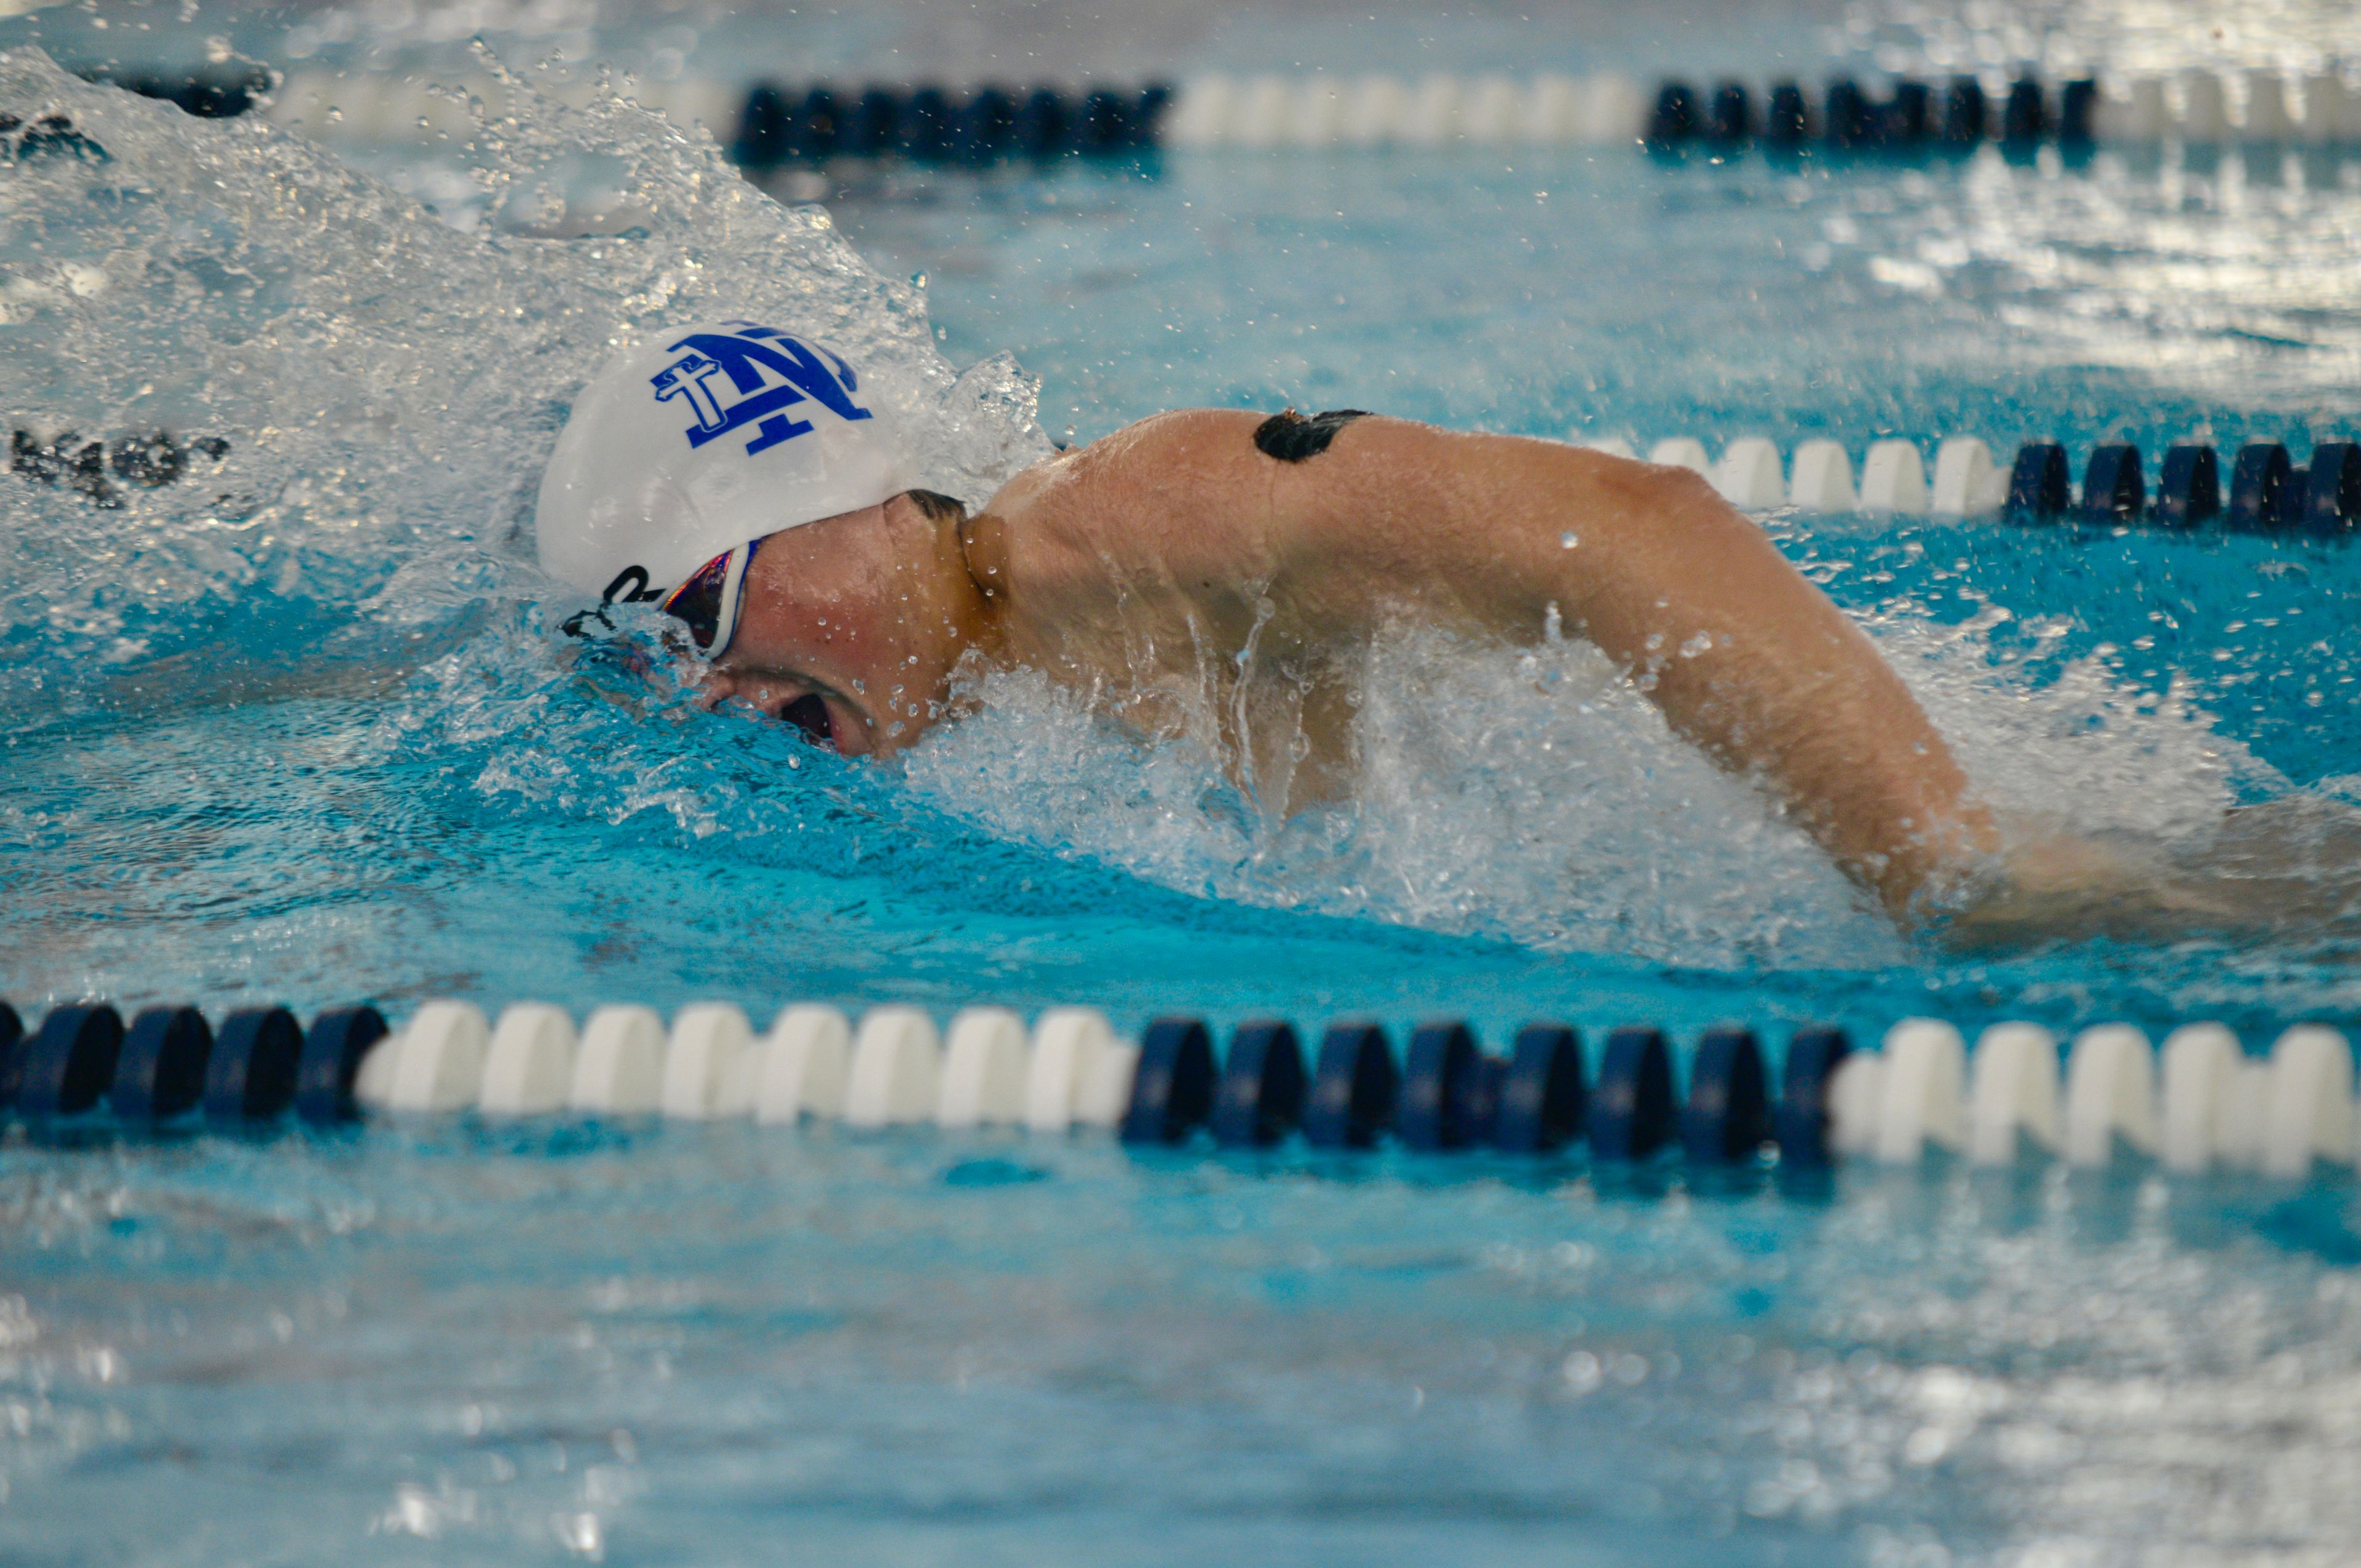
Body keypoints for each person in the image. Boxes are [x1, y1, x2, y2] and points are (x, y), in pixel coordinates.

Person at [537, 319, 2103, 933]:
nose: (714, 698)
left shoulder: (1141, 525)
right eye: (654, 669)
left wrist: (1944, 869)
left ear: (849, 497)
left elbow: (1638, 530)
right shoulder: (963, 698)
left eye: (700, 618)